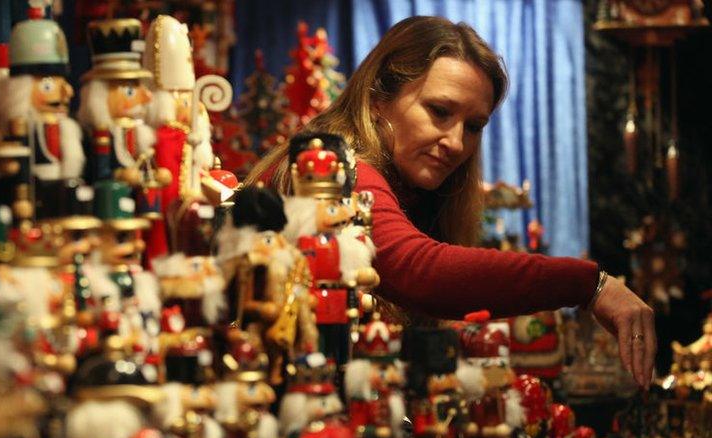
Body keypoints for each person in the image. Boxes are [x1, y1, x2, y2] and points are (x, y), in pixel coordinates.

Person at [246, 16, 655, 387]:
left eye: (474, 126)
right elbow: (419, 270)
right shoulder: (333, 170)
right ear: (377, 99)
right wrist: (592, 285)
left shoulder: (389, 178)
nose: (457, 142)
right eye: (439, 111)